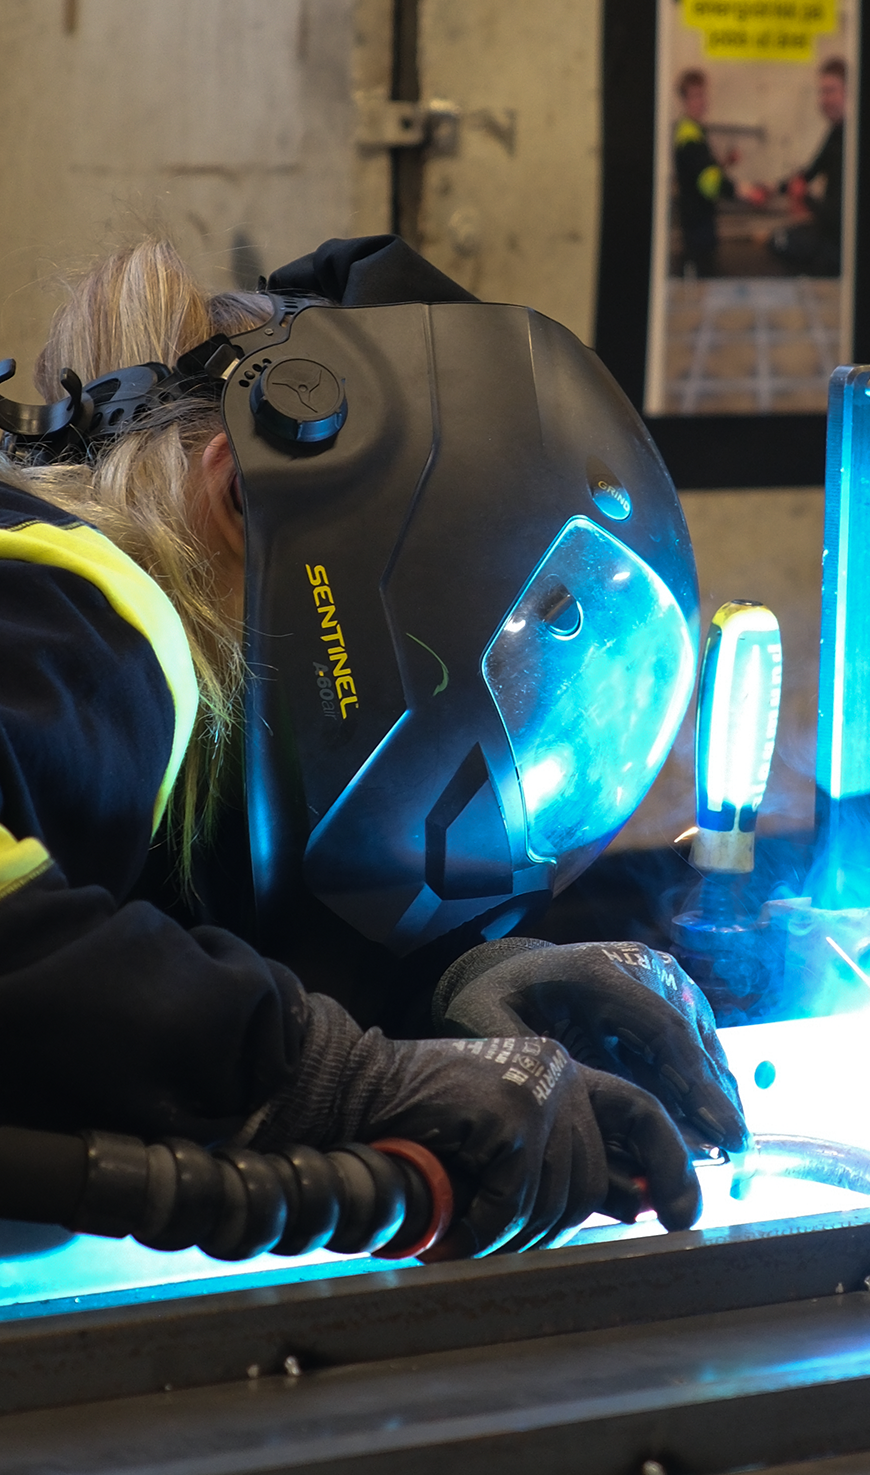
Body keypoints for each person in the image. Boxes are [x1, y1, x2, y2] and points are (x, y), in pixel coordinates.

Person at [0, 235, 747, 1259]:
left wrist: (434, 1002)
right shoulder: (91, 606)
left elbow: (94, 950)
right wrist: (337, 1078)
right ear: (243, 496)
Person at [673, 68, 765, 278]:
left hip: (702, 222)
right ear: (684, 100)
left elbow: (703, 172)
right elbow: (709, 182)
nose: (702, 101)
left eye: (703, 94)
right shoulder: (688, 136)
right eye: (695, 96)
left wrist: (725, 163)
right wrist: (746, 192)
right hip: (697, 227)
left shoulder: (695, 130)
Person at [765, 56, 846, 278]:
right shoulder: (836, 133)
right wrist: (773, 188)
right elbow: (810, 172)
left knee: (778, 242)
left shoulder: (849, 143)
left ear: (849, 93)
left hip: (839, 246)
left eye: (830, 91)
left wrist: (806, 198)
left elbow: (838, 216)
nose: (824, 100)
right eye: (822, 92)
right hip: (828, 233)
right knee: (779, 238)